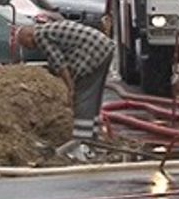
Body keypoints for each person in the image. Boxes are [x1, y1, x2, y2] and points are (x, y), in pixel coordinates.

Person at [16, 20, 115, 160]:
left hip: (94, 53)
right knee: (94, 98)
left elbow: (59, 63)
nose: (31, 49)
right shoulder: (49, 28)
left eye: (26, 45)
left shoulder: (40, 36)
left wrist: (70, 88)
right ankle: (93, 142)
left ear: (28, 36)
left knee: (83, 99)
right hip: (104, 48)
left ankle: (81, 145)